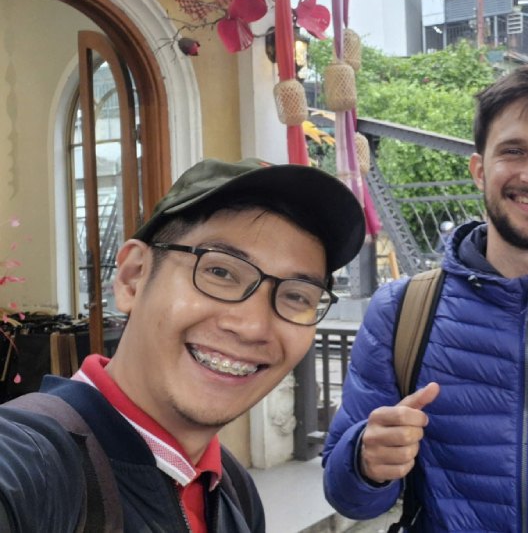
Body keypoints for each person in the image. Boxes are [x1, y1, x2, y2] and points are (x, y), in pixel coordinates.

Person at [322, 65, 528, 531]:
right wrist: (366, 462)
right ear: (479, 169)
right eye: (513, 151)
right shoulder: (403, 313)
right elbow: (350, 498)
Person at [0, 158, 366, 532]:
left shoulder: (232, 490)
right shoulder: (32, 465)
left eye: (297, 296)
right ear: (133, 277)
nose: (254, 327)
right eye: (220, 271)